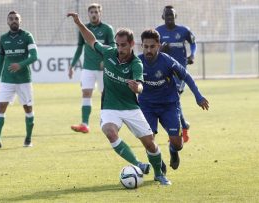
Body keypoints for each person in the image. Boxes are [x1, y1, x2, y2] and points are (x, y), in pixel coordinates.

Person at [67, 12, 171, 185]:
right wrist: (78, 23)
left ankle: (159, 174)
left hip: (131, 107)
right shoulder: (109, 53)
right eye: (118, 44)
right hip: (110, 107)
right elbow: (92, 40)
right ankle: (138, 164)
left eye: (123, 45)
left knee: (150, 144)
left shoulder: (136, 64)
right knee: (109, 131)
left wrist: (136, 87)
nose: (120, 49)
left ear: (131, 44)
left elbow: (140, 85)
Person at [138, 29, 209, 171]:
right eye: (146, 47)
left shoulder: (166, 60)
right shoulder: (137, 62)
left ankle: (173, 150)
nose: (149, 50)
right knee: (148, 141)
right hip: (147, 106)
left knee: (178, 143)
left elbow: (186, 76)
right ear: (142, 46)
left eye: (152, 46)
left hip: (168, 105)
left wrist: (198, 96)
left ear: (158, 45)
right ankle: (158, 166)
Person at [0, 11, 38, 148]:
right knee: (0, 107)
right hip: (7, 80)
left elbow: (34, 56)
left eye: (16, 19)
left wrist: (20, 65)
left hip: (24, 80)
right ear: (7, 22)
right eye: (11, 19)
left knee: (28, 109)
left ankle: (28, 138)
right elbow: (1, 59)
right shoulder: (3, 39)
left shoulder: (27, 36)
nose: (14, 20)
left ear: (21, 21)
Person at [68, 3, 115, 133]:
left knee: (105, 95)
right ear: (88, 14)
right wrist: (72, 65)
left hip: (103, 69)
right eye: (91, 12)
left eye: (96, 12)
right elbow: (79, 47)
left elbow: (113, 47)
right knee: (86, 93)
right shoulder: (84, 29)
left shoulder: (107, 29)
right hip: (88, 68)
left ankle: (107, 121)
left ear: (100, 13)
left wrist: (105, 60)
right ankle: (84, 124)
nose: (94, 14)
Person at [155, 5, 197, 142]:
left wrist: (192, 56)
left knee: (174, 97)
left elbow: (193, 43)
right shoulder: (157, 32)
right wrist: (161, 49)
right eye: (167, 15)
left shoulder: (184, 31)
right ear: (163, 17)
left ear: (175, 16)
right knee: (173, 100)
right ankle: (183, 127)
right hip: (164, 70)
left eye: (171, 15)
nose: (169, 18)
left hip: (180, 70)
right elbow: (153, 49)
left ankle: (180, 130)